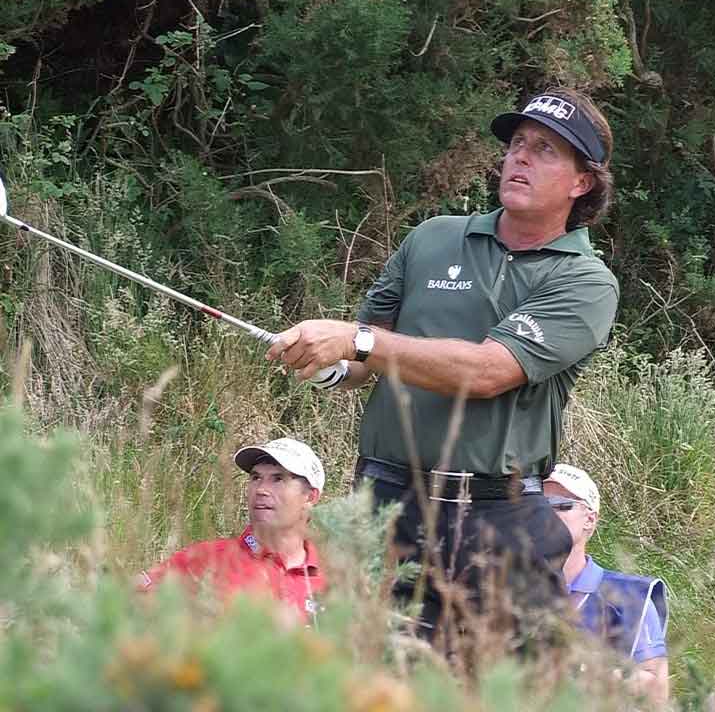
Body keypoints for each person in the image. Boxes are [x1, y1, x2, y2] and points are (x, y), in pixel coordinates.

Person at [267, 88, 619, 643]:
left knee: (503, 687)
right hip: (384, 502)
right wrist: (327, 361)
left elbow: (485, 372)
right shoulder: (432, 239)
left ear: (583, 183)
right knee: (368, 681)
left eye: (546, 150)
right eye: (517, 144)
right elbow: (363, 361)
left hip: (493, 516)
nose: (521, 157)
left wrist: (356, 341)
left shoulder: (586, 282)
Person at [138, 437, 327, 624]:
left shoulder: (333, 579)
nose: (261, 489)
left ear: (310, 497)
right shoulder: (207, 558)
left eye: (278, 479)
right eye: (255, 478)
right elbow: (127, 600)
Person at [544, 464, 670, 706]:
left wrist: (582, 674)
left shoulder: (630, 595)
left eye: (561, 505)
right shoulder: (509, 587)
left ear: (589, 520)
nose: (547, 514)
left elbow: (656, 689)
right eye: (538, 506)